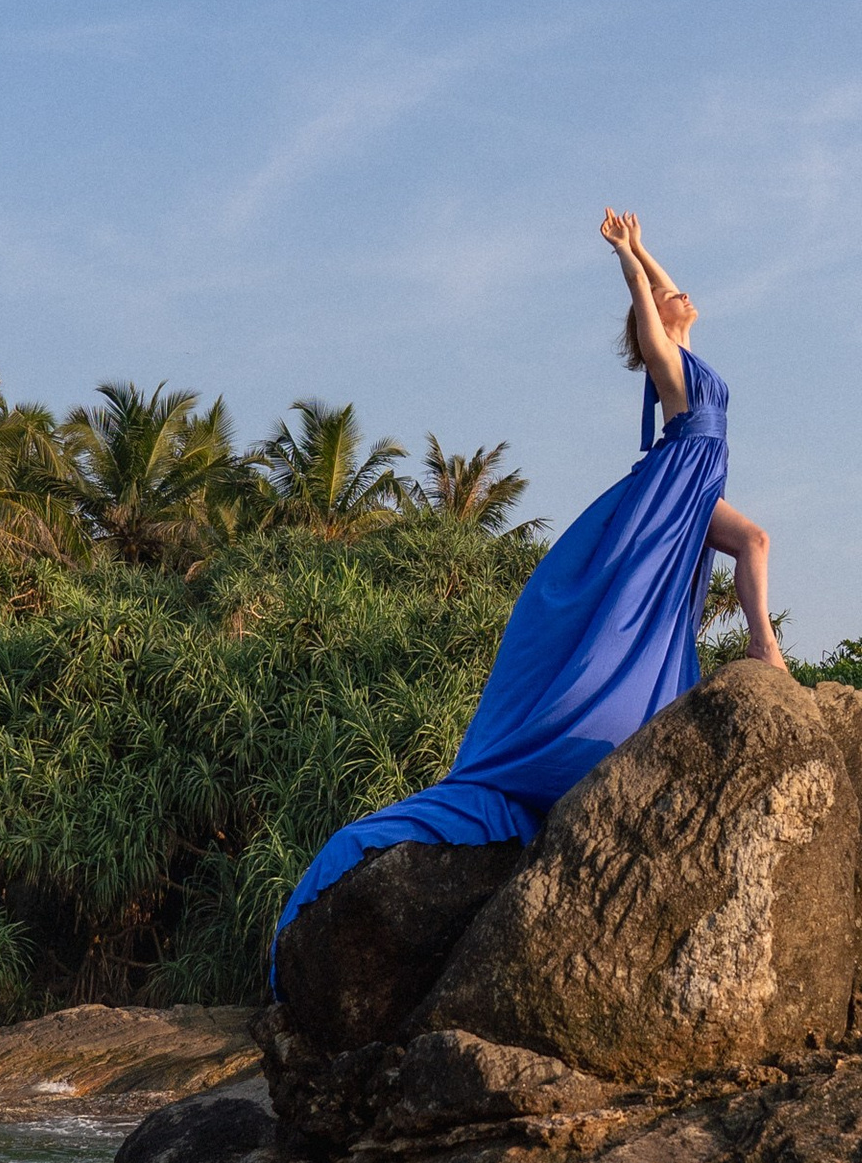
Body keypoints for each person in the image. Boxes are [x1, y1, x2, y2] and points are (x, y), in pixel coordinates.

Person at [268, 208, 782, 961]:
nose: (683, 299)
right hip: (678, 481)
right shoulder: (669, 365)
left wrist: (644, 245)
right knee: (755, 540)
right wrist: (622, 259)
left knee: (752, 542)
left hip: (696, 473)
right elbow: (651, 301)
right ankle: (765, 646)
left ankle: (756, 646)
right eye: (670, 303)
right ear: (653, 328)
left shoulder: (688, 352)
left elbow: (673, 295)